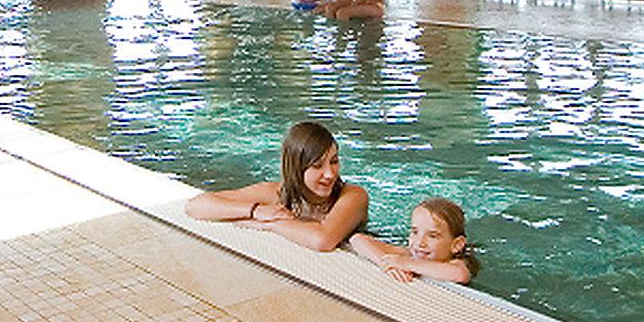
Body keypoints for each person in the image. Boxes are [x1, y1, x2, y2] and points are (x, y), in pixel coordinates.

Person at [183, 120, 368, 252]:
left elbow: (323, 240)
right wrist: (255, 211)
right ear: (296, 168)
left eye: (334, 161)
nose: (329, 174)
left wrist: (269, 224)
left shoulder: (353, 196)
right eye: (317, 166)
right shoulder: (277, 193)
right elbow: (195, 206)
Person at [350, 198, 475, 284]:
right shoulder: (411, 253)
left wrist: (407, 264)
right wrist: (388, 264)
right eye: (415, 232)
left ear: (456, 245)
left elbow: (460, 274)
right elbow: (357, 239)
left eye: (432, 236)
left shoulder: (457, 262)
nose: (420, 242)